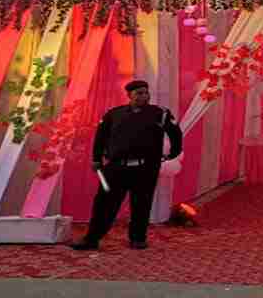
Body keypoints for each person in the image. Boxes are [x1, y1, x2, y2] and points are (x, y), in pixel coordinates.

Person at [71, 80, 183, 251]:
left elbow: (175, 133)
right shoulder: (114, 114)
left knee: (141, 203)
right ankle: (92, 238)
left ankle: (138, 238)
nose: (144, 96)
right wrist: (96, 159)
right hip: (115, 168)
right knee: (104, 203)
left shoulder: (160, 113)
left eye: (146, 92)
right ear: (129, 95)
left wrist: (173, 154)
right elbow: (100, 137)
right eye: (139, 93)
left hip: (145, 169)